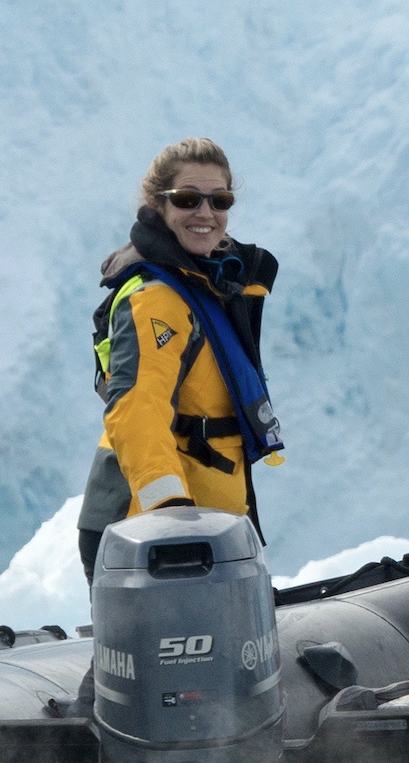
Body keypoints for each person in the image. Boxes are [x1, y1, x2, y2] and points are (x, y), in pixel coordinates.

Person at [78, 138, 284, 583]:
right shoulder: (158, 299)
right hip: (153, 537)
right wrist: (170, 518)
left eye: (220, 199)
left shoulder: (209, 284)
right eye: (188, 199)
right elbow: (136, 409)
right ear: (157, 205)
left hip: (205, 531)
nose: (205, 213)